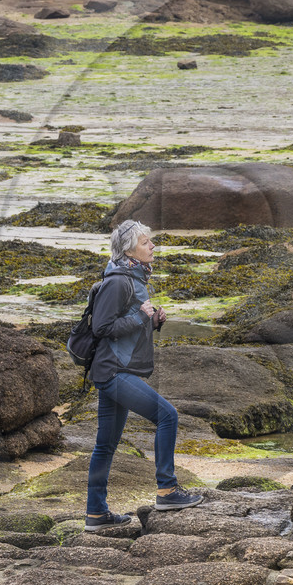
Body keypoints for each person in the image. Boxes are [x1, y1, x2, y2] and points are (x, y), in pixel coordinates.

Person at [82, 219, 203, 528]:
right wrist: (140, 317)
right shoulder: (119, 281)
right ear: (129, 250)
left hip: (114, 370)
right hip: (112, 372)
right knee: (167, 416)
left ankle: (96, 513)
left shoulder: (134, 277)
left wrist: (152, 321)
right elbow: (102, 328)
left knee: (105, 445)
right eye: (145, 242)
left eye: (150, 241)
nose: (152, 245)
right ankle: (167, 490)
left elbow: (126, 326)